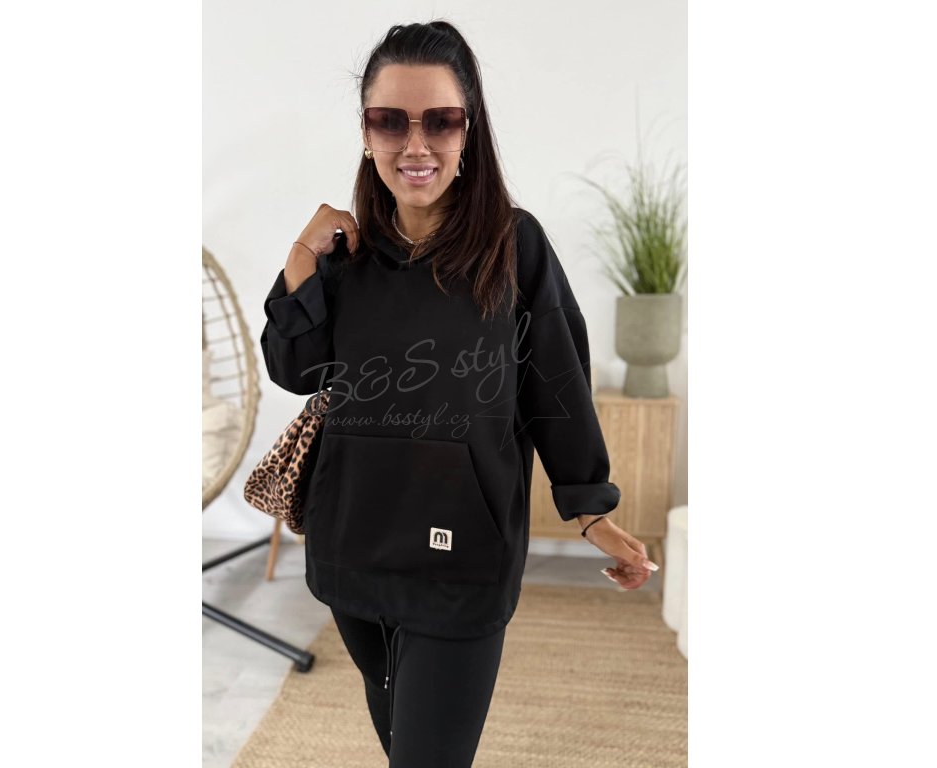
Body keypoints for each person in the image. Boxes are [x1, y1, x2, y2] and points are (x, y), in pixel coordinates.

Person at [260, 20, 660, 768]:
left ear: (469, 129)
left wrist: (589, 508)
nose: (416, 145)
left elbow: (557, 382)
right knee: (401, 743)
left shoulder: (514, 245)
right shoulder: (345, 257)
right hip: (353, 553)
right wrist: (302, 258)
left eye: (440, 120)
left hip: (463, 561)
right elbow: (294, 368)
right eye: (391, 121)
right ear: (366, 133)